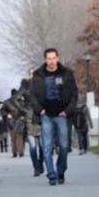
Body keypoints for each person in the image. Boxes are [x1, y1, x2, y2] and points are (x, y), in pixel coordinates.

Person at [29, 48, 78, 186]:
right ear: (45, 60)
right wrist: (40, 110)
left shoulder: (66, 74)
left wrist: (68, 111)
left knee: (64, 146)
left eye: (53, 58)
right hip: (46, 115)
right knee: (47, 146)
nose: (51, 61)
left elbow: (74, 94)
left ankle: (60, 170)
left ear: (57, 58)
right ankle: (51, 174)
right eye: (48, 58)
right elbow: (31, 96)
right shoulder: (38, 75)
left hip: (62, 114)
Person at [18, 77, 44, 176]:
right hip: (29, 124)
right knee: (33, 148)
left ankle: (40, 162)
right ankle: (36, 167)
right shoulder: (23, 92)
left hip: (40, 122)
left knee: (42, 147)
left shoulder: (41, 91)